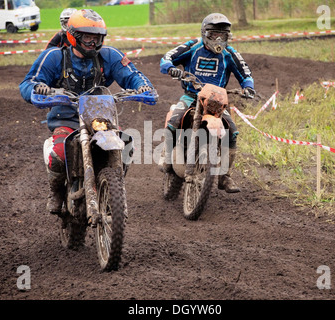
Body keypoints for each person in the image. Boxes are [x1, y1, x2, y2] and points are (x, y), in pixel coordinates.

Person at [19, 9, 154, 215]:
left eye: (97, 38)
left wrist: (143, 87)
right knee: (60, 153)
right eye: (88, 37)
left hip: (100, 116)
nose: (93, 42)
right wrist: (38, 89)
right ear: (74, 35)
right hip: (65, 116)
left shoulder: (110, 55)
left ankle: (112, 185)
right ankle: (55, 191)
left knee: (126, 142)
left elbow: (132, 74)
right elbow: (29, 82)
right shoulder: (54, 57)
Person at [159, 13, 255, 193]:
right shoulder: (192, 46)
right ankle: (167, 157)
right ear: (205, 33)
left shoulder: (229, 53)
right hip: (191, 96)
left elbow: (245, 73)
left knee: (232, 132)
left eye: (223, 35)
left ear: (228, 37)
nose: (218, 39)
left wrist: (248, 87)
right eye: (214, 35)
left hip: (216, 101)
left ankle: (224, 175)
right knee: (174, 121)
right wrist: (171, 68)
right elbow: (167, 58)